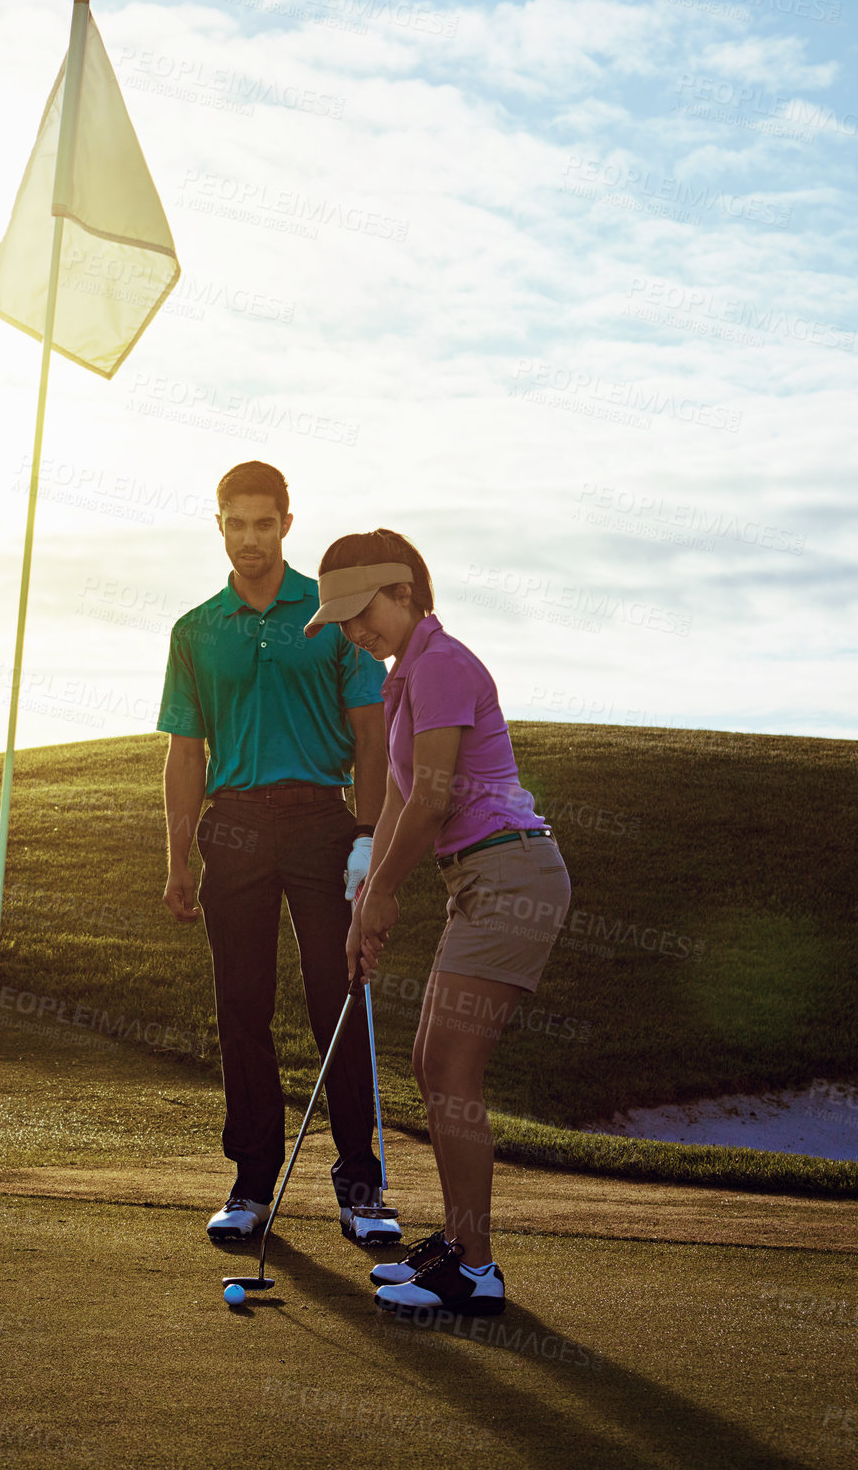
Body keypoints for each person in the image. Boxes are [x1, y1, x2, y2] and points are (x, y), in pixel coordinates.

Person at [303, 528, 571, 1315]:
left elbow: (436, 797)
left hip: (510, 871)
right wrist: (366, 902)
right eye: (343, 620)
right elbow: (392, 806)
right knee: (430, 1064)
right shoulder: (406, 679)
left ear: (409, 591)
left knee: (452, 1071)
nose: (356, 631)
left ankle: (476, 1268)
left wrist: (387, 892)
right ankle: (458, 1247)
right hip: (480, 880)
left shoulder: (444, 664)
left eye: (363, 611)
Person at [157, 461, 396, 1246]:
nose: (251, 538)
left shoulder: (333, 618)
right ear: (219, 524)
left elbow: (370, 735)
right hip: (234, 828)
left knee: (339, 996)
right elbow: (185, 752)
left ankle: (360, 1187)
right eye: (237, 523)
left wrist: (369, 837)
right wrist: (178, 858)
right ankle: (252, 1183)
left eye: (265, 523)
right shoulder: (195, 630)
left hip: (321, 822)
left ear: (287, 524)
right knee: (241, 1007)